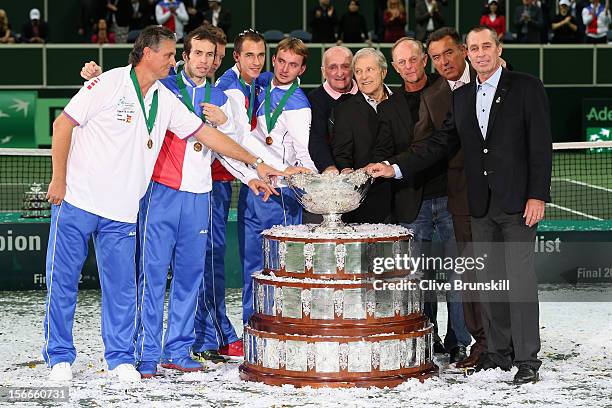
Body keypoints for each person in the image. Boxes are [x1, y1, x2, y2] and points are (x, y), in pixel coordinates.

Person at [43, 25, 282, 383]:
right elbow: (62, 126)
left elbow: (207, 135)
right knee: (63, 281)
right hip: (78, 198)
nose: (176, 60)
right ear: (147, 54)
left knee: (122, 289)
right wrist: (58, 180)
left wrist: (255, 162)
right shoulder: (107, 83)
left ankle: (121, 357)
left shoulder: (163, 98)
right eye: (170, 54)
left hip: (122, 210)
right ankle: (59, 356)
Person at [369, 25, 552, 385]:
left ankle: (527, 358)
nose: (481, 53)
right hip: (478, 205)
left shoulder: (527, 87)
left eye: (487, 46)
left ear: (498, 48)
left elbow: (540, 145)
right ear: (467, 53)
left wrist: (537, 195)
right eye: (474, 48)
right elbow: (440, 142)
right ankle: (497, 353)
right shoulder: (462, 96)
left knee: (519, 281)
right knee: (489, 281)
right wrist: (395, 167)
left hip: (518, 204)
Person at [376, 36, 471, 364]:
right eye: (401, 62)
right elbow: (387, 153)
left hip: (452, 199)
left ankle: (459, 340)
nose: (408, 67)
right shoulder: (388, 107)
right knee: (420, 279)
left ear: (424, 59)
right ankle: (426, 338)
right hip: (411, 203)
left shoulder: (448, 89)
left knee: (458, 277)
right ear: (394, 66)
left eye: (413, 60)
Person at [414, 27, 488, 368]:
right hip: (459, 199)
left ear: (464, 51)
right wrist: (396, 167)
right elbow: (429, 146)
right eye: (436, 57)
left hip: (502, 197)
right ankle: (481, 343)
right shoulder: (433, 96)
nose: (444, 62)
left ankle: (508, 343)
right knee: (469, 274)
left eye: (449, 53)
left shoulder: (501, 77)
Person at [239, 37, 317, 325]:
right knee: (251, 266)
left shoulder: (298, 104)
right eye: (281, 61)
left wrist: (305, 184)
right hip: (254, 185)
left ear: (302, 69)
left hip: (280, 195)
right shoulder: (261, 82)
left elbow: (304, 153)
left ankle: (279, 326)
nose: (285, 69)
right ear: (274, 60)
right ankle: (252, 327)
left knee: (279, 269)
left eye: (293, 65)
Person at [331, 48, 393, 223]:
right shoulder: (344, 110)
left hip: (405, 199)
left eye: (369, 70)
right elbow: (341, 152)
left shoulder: (401, 101)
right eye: (358, 71)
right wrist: (346, 171)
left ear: (384, 72)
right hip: (367, 202)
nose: (363, 77)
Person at [308, 46, 358, 175]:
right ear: (324, 72)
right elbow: (316, 139)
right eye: (333, 67)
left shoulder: (366, 92)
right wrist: (328, 167)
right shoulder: (314, 99)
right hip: (332, 173)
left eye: (345, 66)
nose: (340, 73)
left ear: (353, 69)